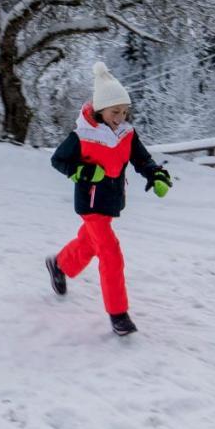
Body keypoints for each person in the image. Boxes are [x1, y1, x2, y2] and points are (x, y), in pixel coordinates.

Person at [47, 62, 172, 336]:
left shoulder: (126, 133)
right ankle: (118, 314)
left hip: (112, 200)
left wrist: (155, 174)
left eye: (124, 112)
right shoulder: (82, 136)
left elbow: (142, 158)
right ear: (100, 109)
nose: (120, 116)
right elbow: (58, 160)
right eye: (115, 111)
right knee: (110, 252)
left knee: (89, 243)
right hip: (90, 204)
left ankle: (59, 264)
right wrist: (82, 170)